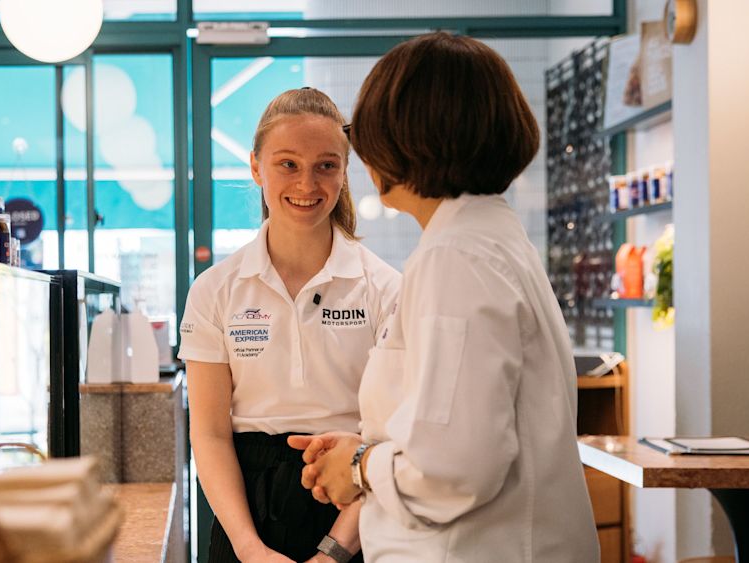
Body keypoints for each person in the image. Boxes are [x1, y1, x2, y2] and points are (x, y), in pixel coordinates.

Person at [289, 32, 601, 562]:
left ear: (408, 137)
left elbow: (454, 469)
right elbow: (458, 422)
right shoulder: (480, 241)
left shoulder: (456, 256)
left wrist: (359, 466)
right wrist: (367, 445)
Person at [178, 87, 400, 563]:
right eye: (288, 164)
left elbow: (391, 437)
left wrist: (334, 552)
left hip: (355, 510)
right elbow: (210, 434)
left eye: (326, 165)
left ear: (344, 172)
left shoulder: (385, 289)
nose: (306, 184)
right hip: (246, 515)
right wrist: (249, 550)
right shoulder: (215, 290)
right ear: (256, 166)